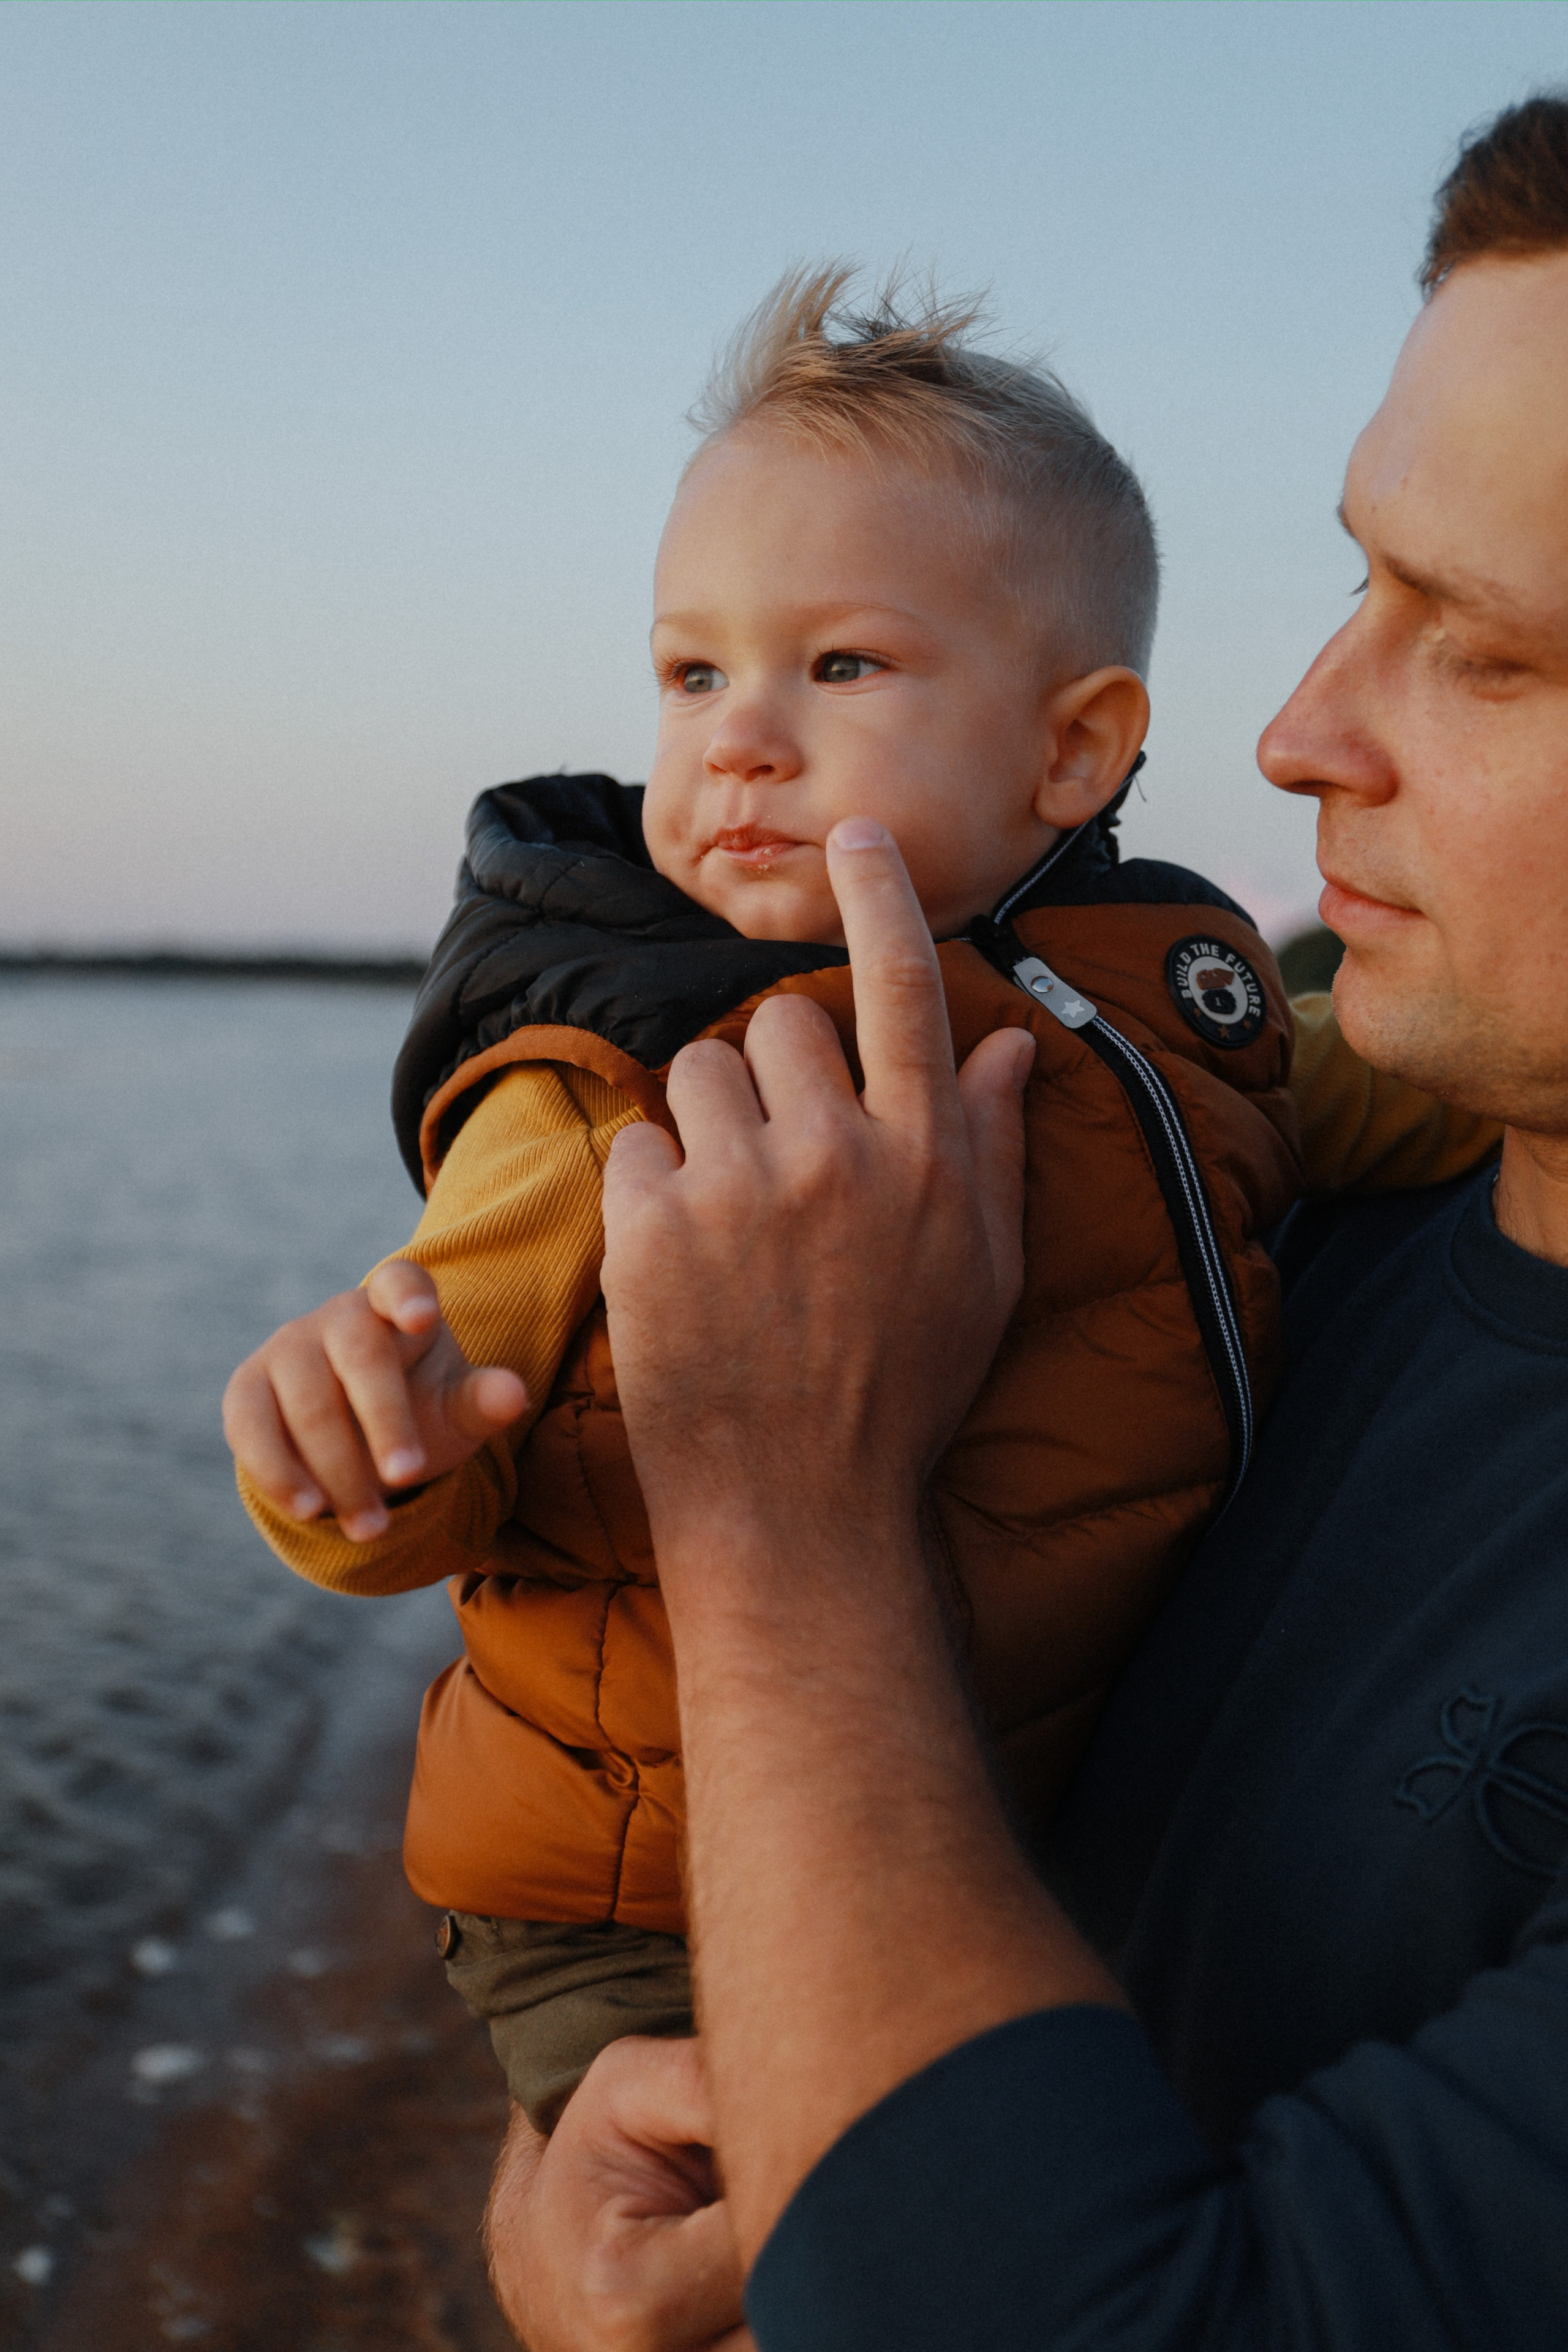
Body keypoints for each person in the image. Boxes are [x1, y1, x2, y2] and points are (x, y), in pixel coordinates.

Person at [475, 92, 1568, 2352]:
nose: (1289, 734)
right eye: (1362, 576)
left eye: (1485, 649)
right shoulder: (1263, 1199)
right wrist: (561, 2169)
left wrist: (783, 1519)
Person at [224, 278, 1483, 2136]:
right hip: (640, 1884)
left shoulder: (1173, 998)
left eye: (840, 668)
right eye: (692, 672)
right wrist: (361, 1450)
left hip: (1011, 1810)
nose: (737, 738)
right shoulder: (614, 1078)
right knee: (785, 2252)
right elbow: (438, 1402)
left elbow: (1400, 1094)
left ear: (1072, 748)